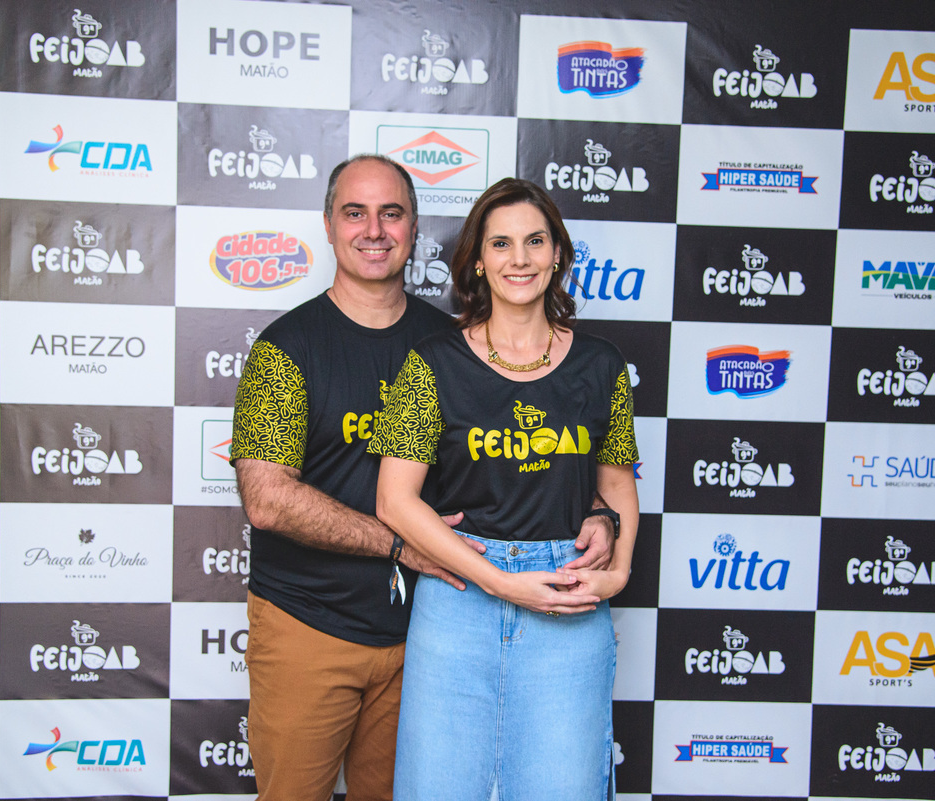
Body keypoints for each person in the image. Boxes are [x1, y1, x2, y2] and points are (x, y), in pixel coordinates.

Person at [230, 157, 616, 801]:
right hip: (310, 624)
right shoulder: (285, 348)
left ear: (414, 228)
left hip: (431, 632)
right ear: (328, 225)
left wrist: (601, 511)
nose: (374, 230)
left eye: (392, 213)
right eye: (355, 213)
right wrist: (398, 543)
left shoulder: (456, 345)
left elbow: (533, 454)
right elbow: (267, 501)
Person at [370, 177, 640, 800]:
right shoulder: (431, 362)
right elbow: (394, 501)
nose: (519, 259)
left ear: (557, 254)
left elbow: (617, 486)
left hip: (568, 596)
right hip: (461, 596)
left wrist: (619, 574)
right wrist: (498, 581)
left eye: (535, 241)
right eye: (501, 244)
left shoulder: (602, 364)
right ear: (478, 261)